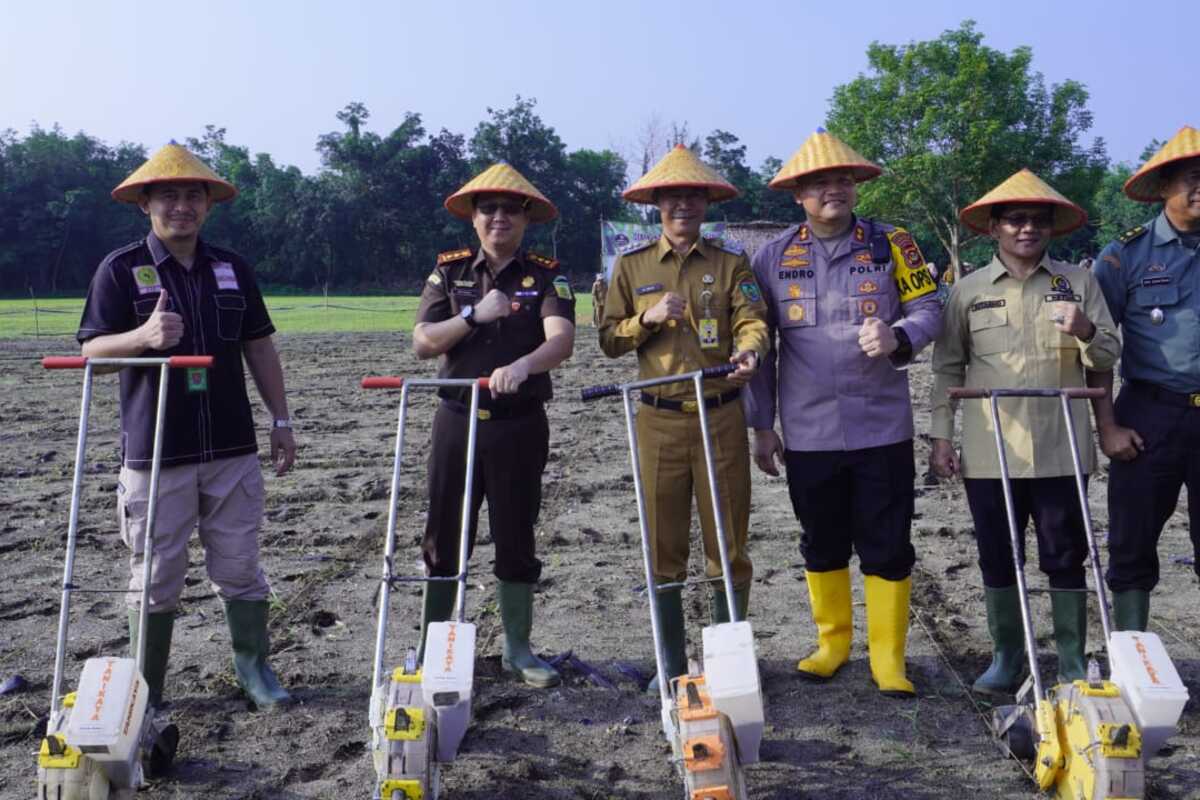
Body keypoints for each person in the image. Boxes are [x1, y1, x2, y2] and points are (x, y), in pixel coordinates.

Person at [77, 143, 297, 710]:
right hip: (157, 452)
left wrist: (280, 418)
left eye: (193, 195)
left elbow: (259, 345)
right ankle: (145, 691)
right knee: (154, 573)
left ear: (208, 205)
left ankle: (254, 670)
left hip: (231, 446)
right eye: (169, 195)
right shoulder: (120, 269)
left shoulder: (232, 268)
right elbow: (93, 352)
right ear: (146, 203)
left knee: (241, 565)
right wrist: (142, 339)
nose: (182, 206)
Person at [744, 129, 942, 697]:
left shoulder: (894, 245)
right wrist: (762, 425)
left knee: (888, 540)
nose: (833, 190)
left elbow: (930, 306)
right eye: (819, 183)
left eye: (842, 181)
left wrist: (899, 333)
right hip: (808, 432)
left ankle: (888, 659)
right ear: (798, 195)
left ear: (856, 188)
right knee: (822, 539)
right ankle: (833, 643)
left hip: (882, 426)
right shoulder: (773, 256)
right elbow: (762, 344)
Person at [930, 169, 1119, 691]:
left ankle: (1074, 661)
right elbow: (947, 368)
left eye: (1039, 220)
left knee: (1065, 555)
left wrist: (1083, 329)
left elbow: (1107, 354)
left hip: (1061, 447)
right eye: (1016, 219)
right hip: (992, 452)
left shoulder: (1078, 284)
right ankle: (1007, 658)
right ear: (995, 227)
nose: (1027, 229)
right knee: (998, 554)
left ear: (1052, 229)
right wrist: (942, 438)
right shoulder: (967, 292)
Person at [598, 145, 767, 692]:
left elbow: (752, 319)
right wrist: (645, 319)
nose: (683, 205)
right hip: (659, 421)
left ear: (706, 201)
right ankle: (670, 665)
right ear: (657, 204)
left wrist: (750, 352)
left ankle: (729, 661)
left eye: (693, 195)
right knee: (662, 544)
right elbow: (608, 340)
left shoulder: (730, 261)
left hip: (721, 418)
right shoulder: (631, 265)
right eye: (672, 197)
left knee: (729, 543)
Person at [413, 163, 575, 688]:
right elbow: (422, 343)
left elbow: (561, 340)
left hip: (518, 423)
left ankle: (518, 649)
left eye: (510, 209)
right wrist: (475, 316)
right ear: (474, 219)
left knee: (515, 531)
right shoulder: (449, 272)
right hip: (457, 419)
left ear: (526, 218)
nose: (499, 217)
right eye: (489, 209)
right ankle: (434, 645)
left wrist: (525, 365)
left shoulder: (547, 274)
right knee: (443, 532)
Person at [1089, 126, 1200, 631]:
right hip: (1149, 416)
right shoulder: (1124, 256)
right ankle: (1133, 657)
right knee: (1132, 543)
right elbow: (1096, 351)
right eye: (1192, 180)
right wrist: (1107, 427)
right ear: (1162, 189)